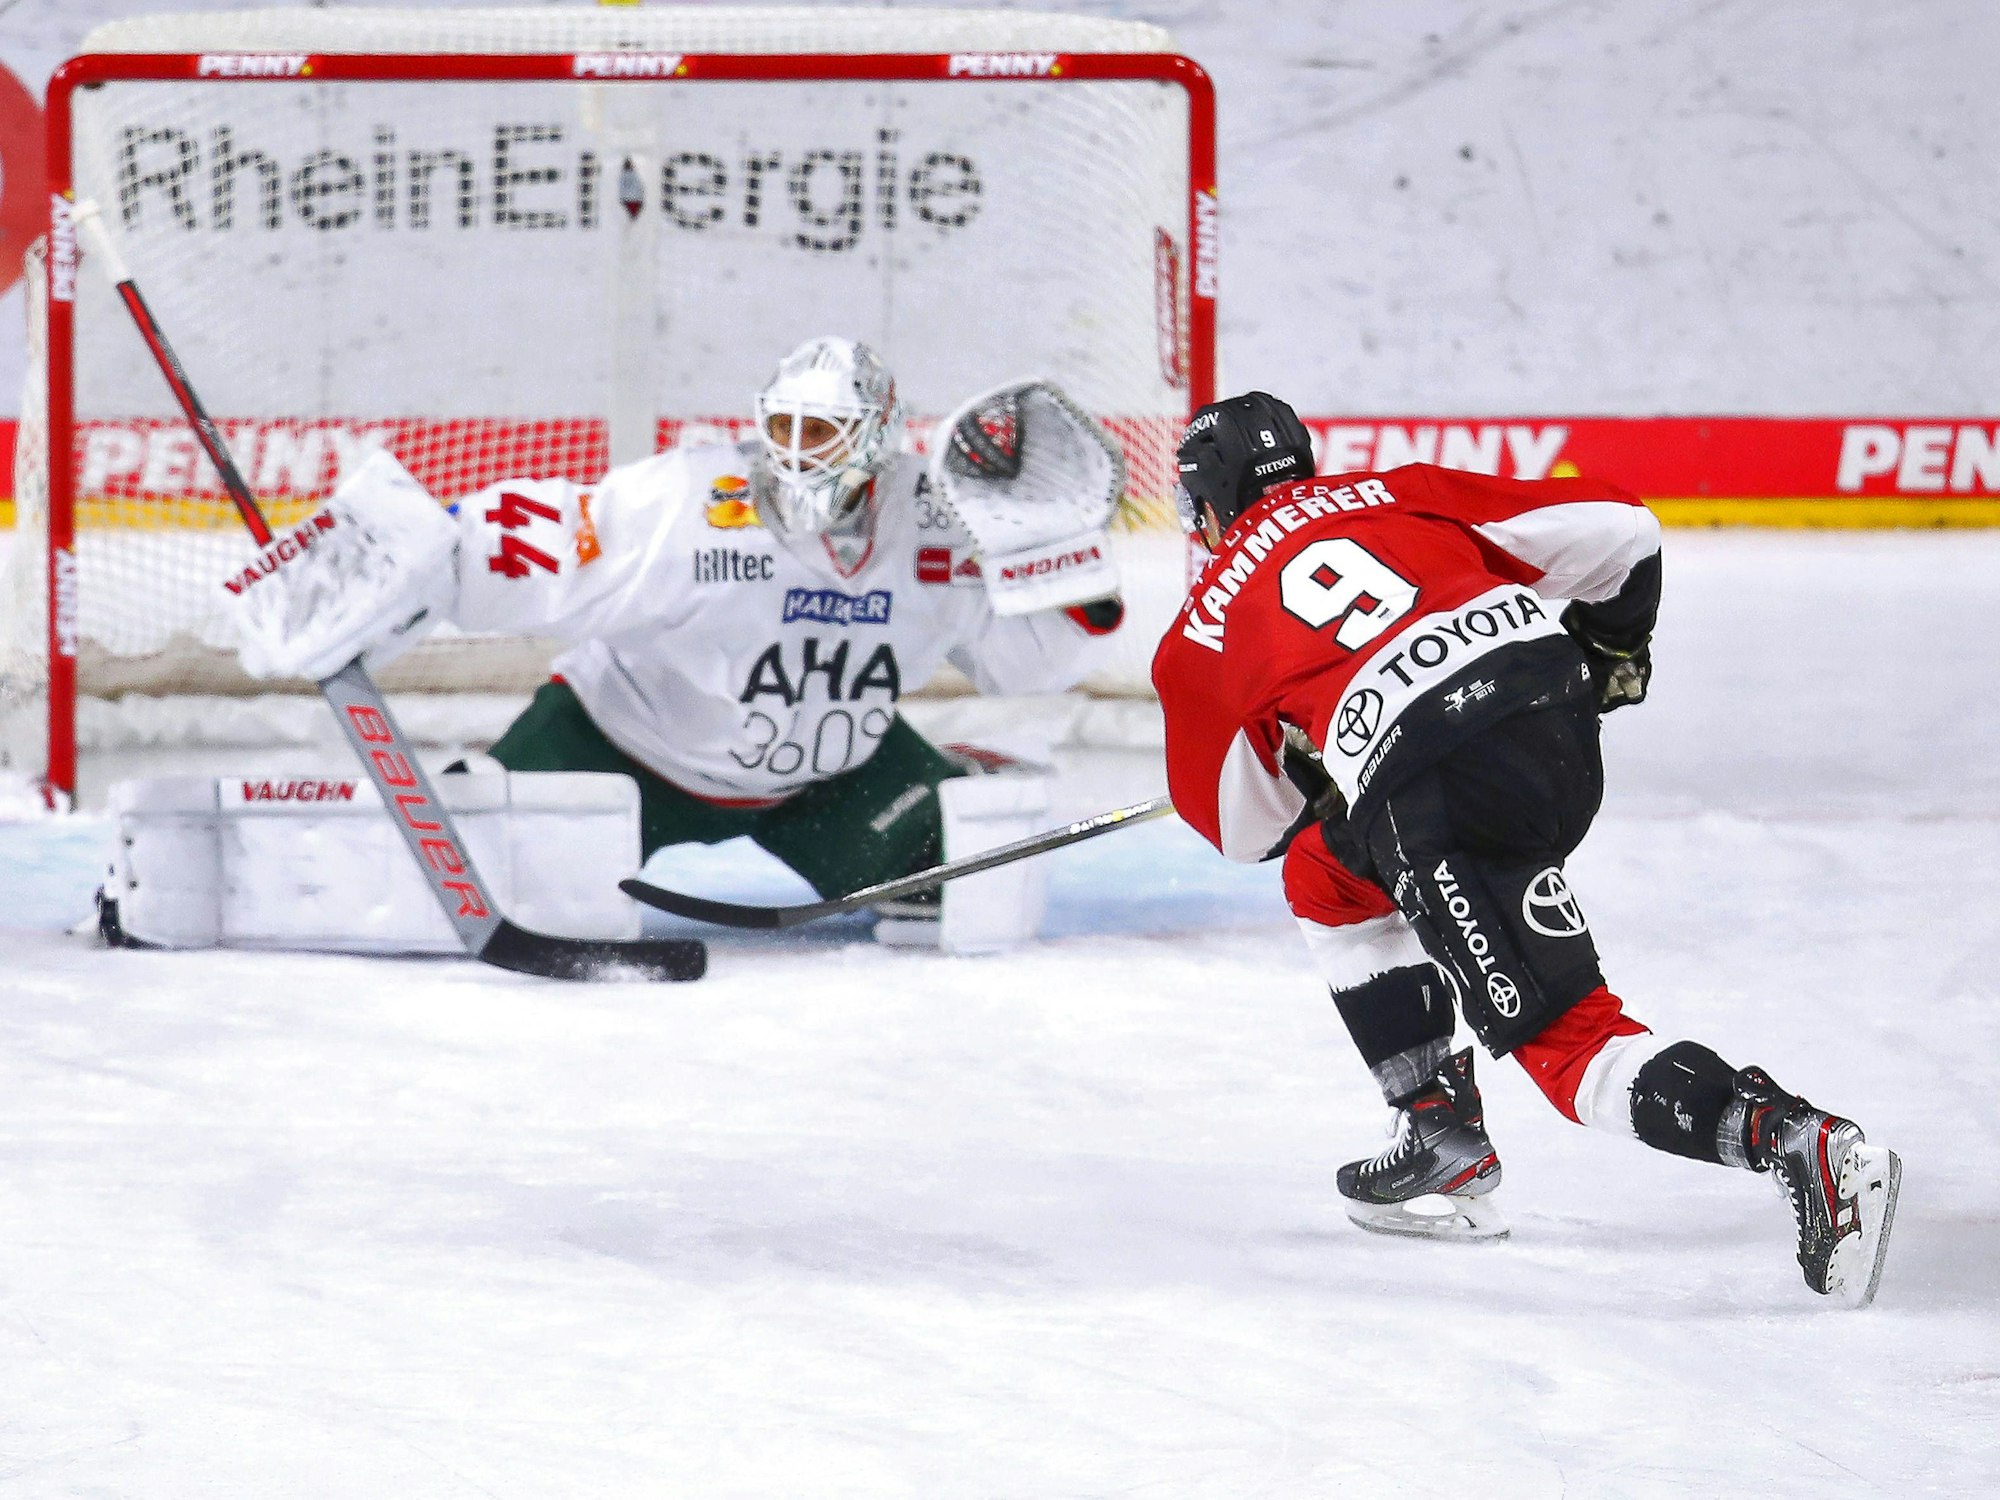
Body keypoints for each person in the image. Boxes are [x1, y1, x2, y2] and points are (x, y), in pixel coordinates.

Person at [1150, 391, 1901, 1306]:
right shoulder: (1398, 488)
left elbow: (1243, 830)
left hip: (1438, 786)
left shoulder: (1199, 630)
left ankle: (1799, 1142)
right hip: (1554, 721)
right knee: (1329, 875)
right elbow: (1625, 531)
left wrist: (1318, 760)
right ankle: (1437, 1131)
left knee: (1570, 1049)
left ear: (1209, 506)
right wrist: (1616, 650)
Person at [233, 337, 1128, 947]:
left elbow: (1029, 664)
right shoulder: (691, 501)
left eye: (822, 433)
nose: (797, 454)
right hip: (616, 751)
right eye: (783, 428)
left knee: (965, 883)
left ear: (879, 438)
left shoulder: (938, 524)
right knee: (480, 887)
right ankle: (495, 791)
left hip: (829, 780)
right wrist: (396, 561)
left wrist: (1064, 565)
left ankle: (950, 771)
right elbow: (536, 542)